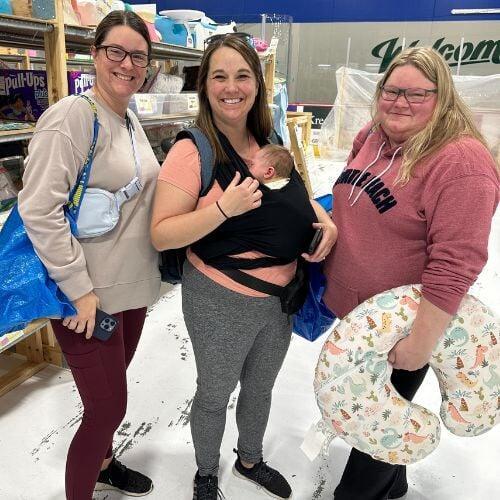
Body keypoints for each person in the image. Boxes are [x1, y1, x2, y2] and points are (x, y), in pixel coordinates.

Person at [151, 33, 337, 500]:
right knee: (215, 392)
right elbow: (162, 233)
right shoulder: (192, 151)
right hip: (219, 299)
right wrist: (222, 209)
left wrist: (325, 220)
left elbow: (297, 193)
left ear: (257, 83)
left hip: (279, 300)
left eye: (242, 76)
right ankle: (206, 473)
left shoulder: (268, 141)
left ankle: (250, 458)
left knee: (260, 387)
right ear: (204, 86)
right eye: (219, 76)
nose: (231, 87)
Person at [322, 46, 499, 500]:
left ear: (442, 98)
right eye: (392, 90)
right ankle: (395, 484)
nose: (400, 102)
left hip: (404, 329)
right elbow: (352, 199)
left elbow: (455, 264)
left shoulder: (460, 162)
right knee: (387, 415)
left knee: (378, 431)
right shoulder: (373, 136)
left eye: (417, 94)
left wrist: (419, 344)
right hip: (362, 318)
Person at [17, 11, 161, 500]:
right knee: (106, 409)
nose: (126, 64)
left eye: (137, 56)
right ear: (95, 55)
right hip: (89, 299)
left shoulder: (127, 117)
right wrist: (79, 291)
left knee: (108, 402)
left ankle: (104, 464)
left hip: (131, 290)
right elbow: (38, 209)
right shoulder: (72, 117)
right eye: (115, 51)